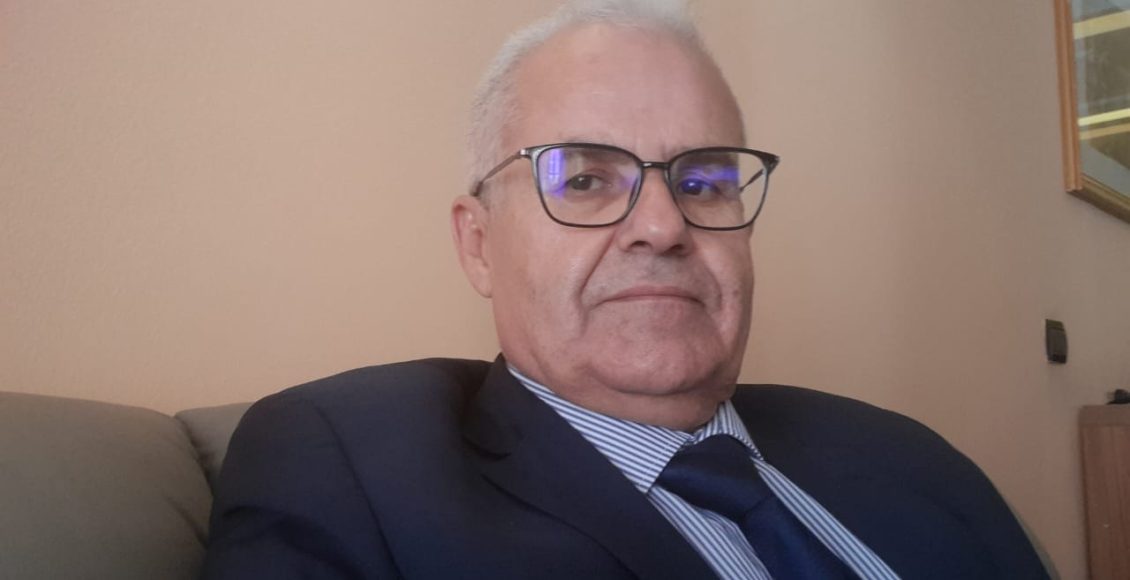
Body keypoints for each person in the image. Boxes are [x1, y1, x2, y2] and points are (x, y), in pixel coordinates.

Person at [201, 1, 1050, 578]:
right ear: (478, 244)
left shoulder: (906, 454)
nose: (663, 225)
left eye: (705, 180)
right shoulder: (343, 465)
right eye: (584, 179)